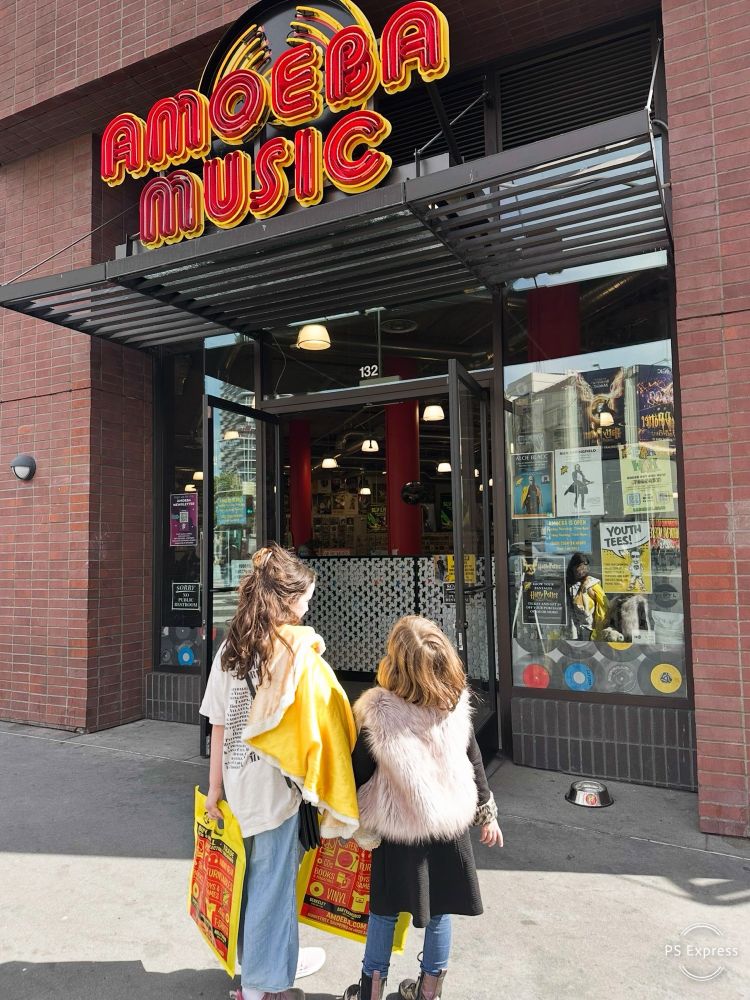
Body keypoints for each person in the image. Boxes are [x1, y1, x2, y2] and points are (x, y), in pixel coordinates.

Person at [200, 543, 359, 1000]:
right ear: (287, 598)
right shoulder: (295, 651)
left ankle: (272, 961)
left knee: (251, 879)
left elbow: (217, 723)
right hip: (276, 786)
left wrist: (215, 791)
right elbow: (322, 720)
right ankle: (262, 987)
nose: (310, 604)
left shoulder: (231, 647)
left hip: (237, 781)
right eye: (306, 596)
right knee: (272, 883)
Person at [343, 616, 503, 1000]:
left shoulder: (376, 711)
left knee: (383, 908)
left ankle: (372, 988)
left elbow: (358, 772)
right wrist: (487, 813)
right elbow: (474, 761)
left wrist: (348, 819)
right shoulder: (455, 705)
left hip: (398, 827)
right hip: (450, 823)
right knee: (442, 908)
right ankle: (429, 990)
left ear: (394, 662)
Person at [566, 551, 608, 640]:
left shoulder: (592, 585)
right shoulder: (568, 585)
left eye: (585, 566)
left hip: (590, 631)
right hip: (573, 631)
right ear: (573, 567)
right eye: (579, 566)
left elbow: (604, 607)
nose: (583, 570)